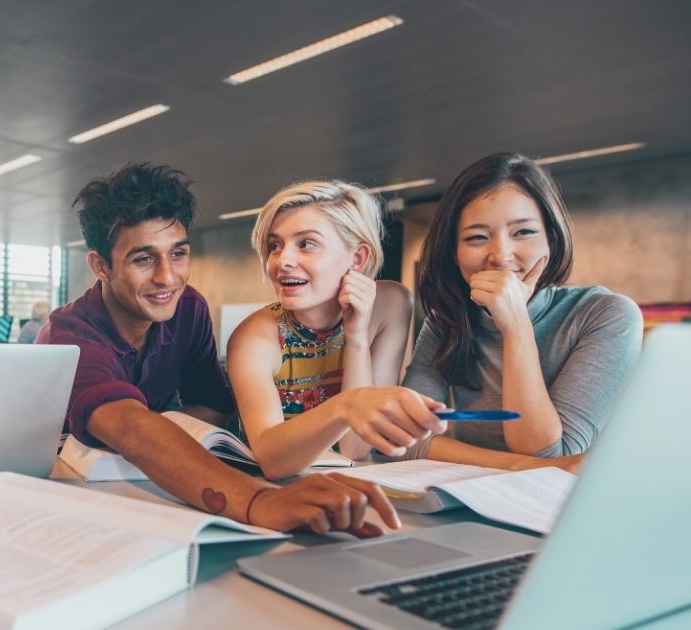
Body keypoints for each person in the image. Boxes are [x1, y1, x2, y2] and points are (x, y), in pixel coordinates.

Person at [39, 163, 401, 536]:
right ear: (101, 266)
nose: (167, 277)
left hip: (146, 485)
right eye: (144, 259)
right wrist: (258, 500)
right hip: (65, 495)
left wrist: (161, 427)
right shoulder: (70, 332)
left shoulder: (187, 309)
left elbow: (212, 408)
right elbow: (128, 426)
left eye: (178, 254)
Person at [402, 152, 643, 469]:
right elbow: (405, 439)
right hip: (470, 500)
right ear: (453, 253)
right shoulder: (446, 320)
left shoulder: (606, 315)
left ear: (551, 240)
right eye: (477, 237)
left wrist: (516, 325)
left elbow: (548, 454)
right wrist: (515, 466)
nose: (500, 256)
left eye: (523, 232)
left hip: (567, 507)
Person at [227, 182, 447, 480]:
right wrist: (346, 407)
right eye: (275, 246)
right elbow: (272, 461)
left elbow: (359, 447)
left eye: (306, 244)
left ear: (357, 258)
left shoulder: (390, 304)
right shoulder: (255, 337)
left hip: (349, 480)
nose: (283, 261)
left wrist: (356, 339)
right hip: (268, 486)